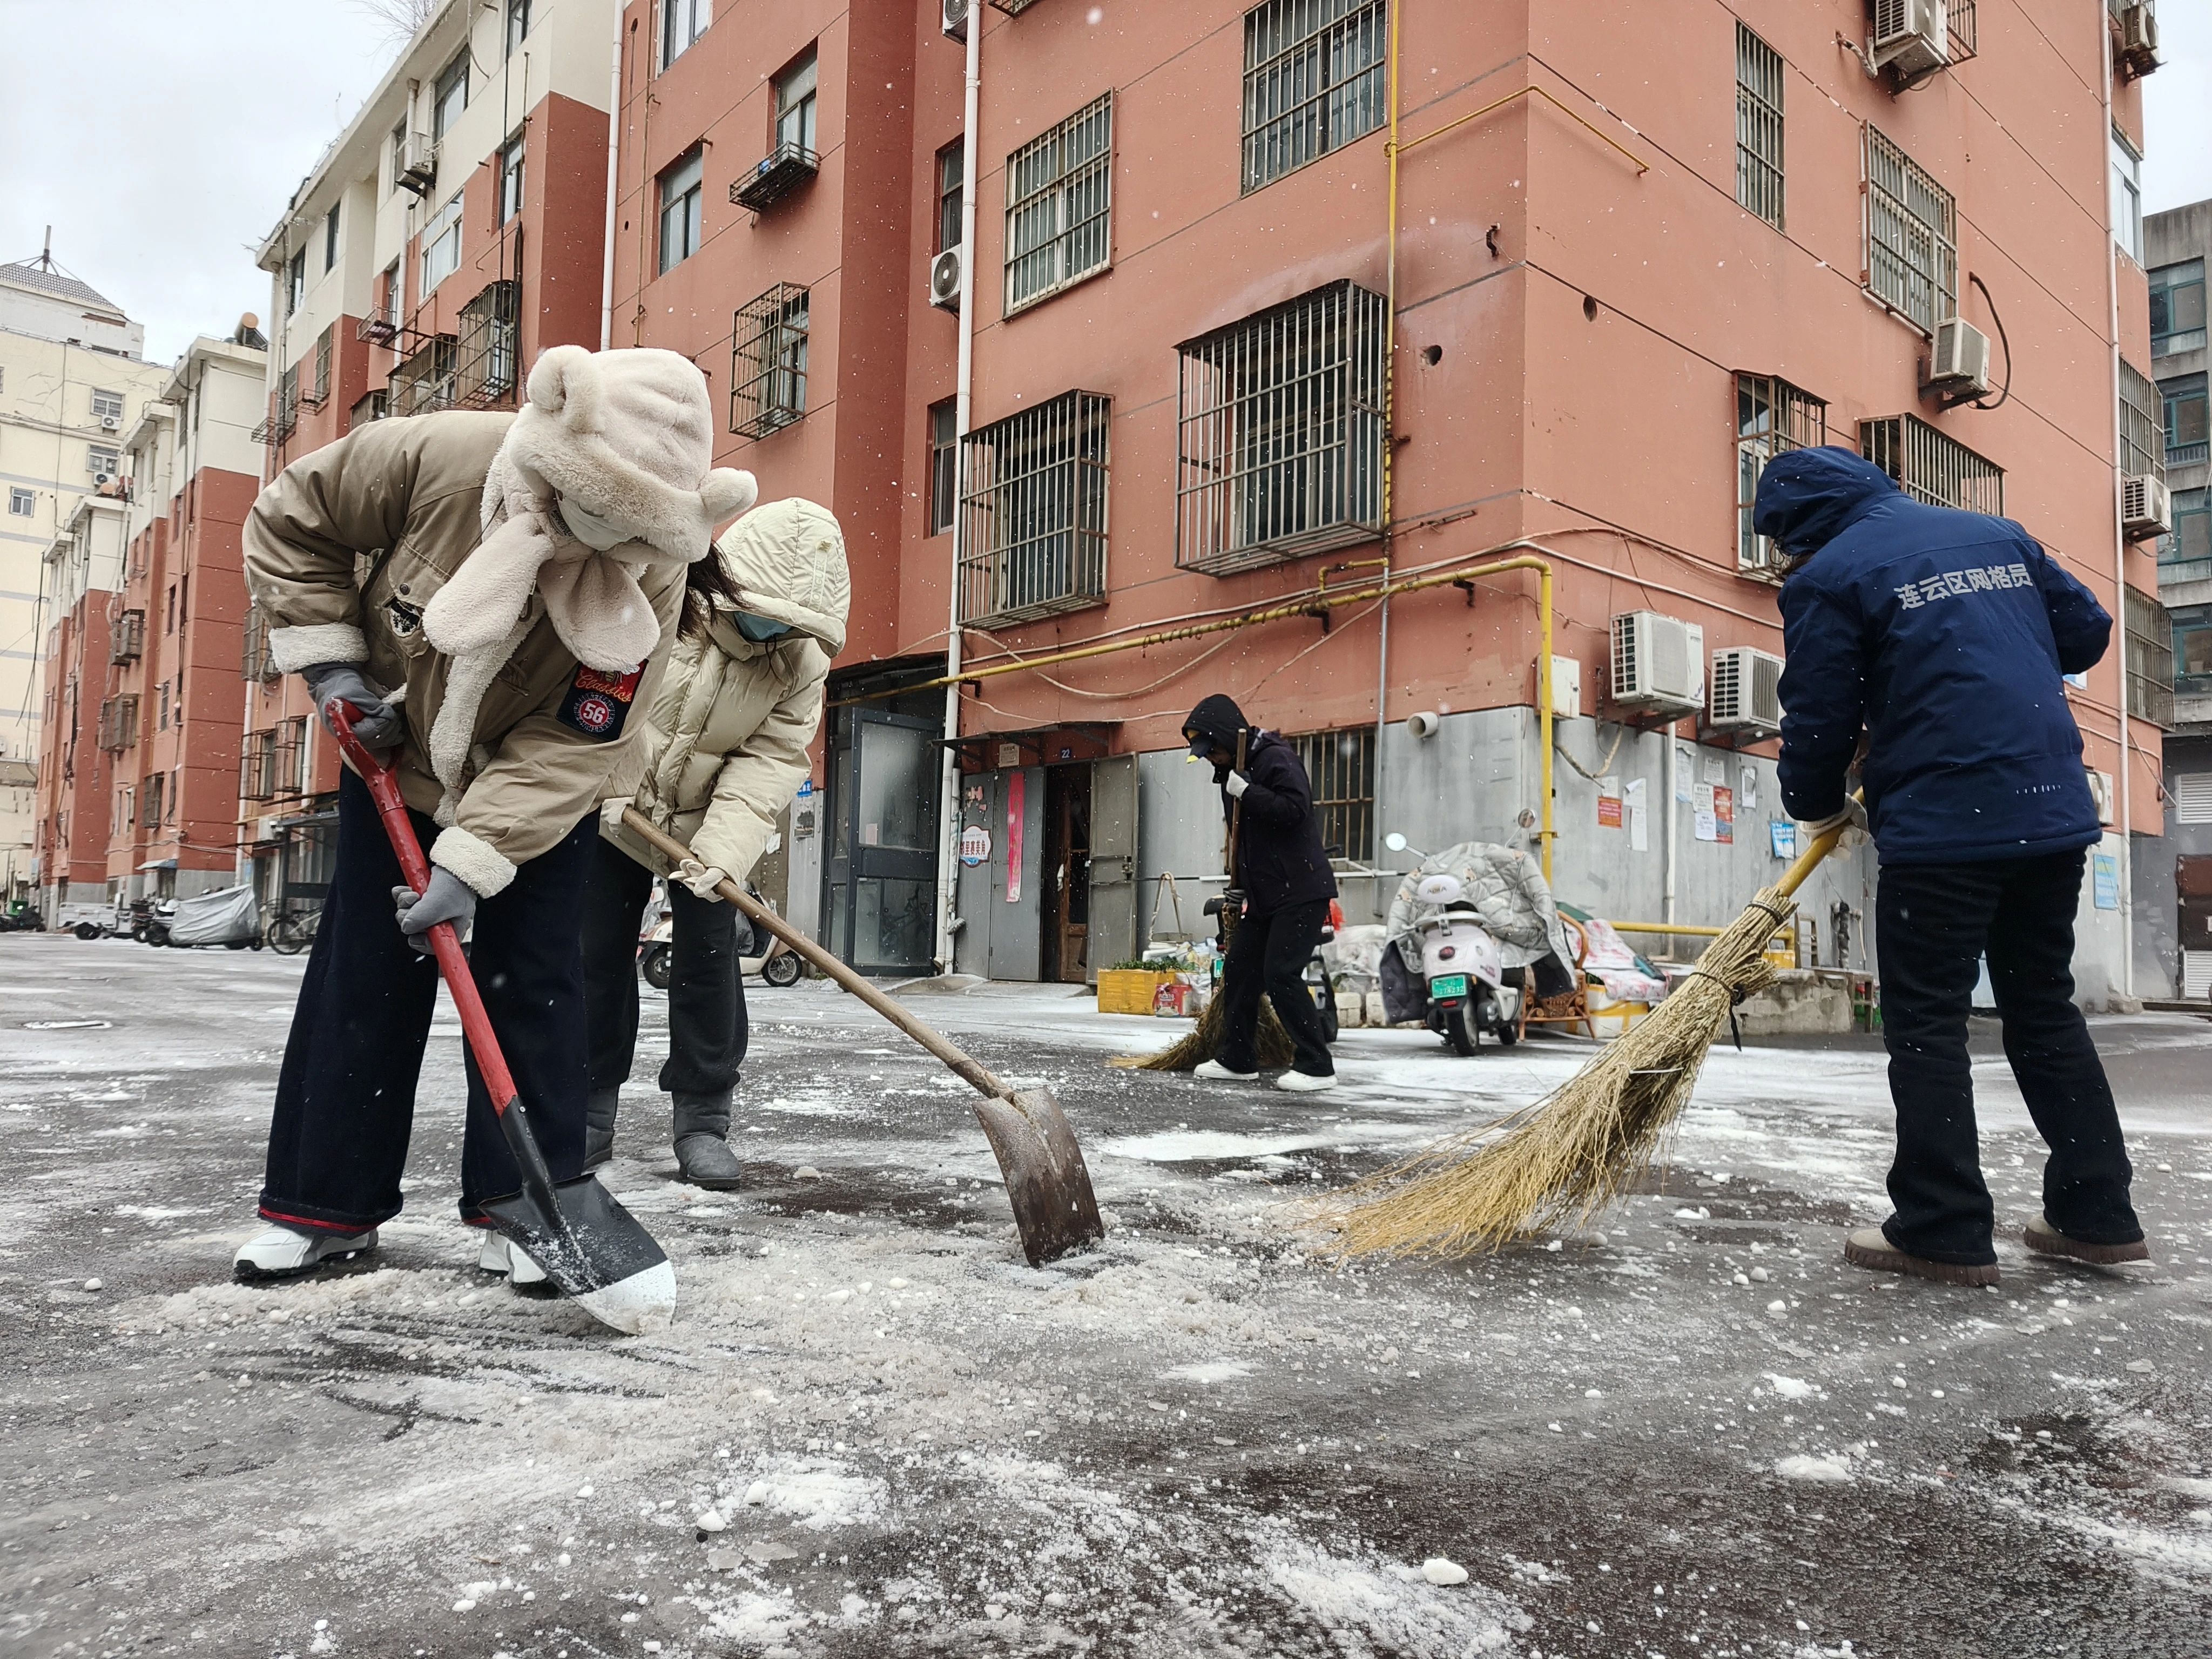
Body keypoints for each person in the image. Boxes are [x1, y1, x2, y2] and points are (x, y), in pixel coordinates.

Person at [232, 345, 756, 1284]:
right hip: (388, 747)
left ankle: (528, 1204)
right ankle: (325, 1207)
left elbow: (586, 734)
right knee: (363, 977)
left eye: (626, 539)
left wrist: (472, 862)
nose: (600, 553)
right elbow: (290, 521)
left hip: (539, 790)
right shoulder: (434, 456)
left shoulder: (656, 566)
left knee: (536, 982)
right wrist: (335, 663)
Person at [1757, 444, 2148, 1287]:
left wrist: (1815, 802)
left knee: (1928, 1023)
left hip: (1944, 829)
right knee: (2042, 1009)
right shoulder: (1994, 532)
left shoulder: (1828, 577)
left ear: (1799, 530)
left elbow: (1818, 713)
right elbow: (2084, 634)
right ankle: (2098, 1216)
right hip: (2050, 812)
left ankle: (1943, 1226)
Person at [581, 498, 849, 1188]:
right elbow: (600, 688)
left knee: (709, 962)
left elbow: (768, 765)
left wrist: (719, 857)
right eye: (765, 612)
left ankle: (703, 1120)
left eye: (792, 622)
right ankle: (584, 1112)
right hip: (610, 806)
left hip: (703, 826)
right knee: (591, 956)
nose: (775, 630)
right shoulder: (662, 601)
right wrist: (600, 777)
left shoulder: (800, 665)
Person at [1181, 694, 1339, 1091]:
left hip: (1301, 890)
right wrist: (1240, 890)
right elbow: (1247, 842)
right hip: (1267, 895)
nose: (1210, 759)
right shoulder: (1232, 773)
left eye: (1212, 750)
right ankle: (1238, 1059)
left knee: (1281, 973)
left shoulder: (1274, 759)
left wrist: (1249, 792)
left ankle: (1317, 1066)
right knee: (1239, 970)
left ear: (1225, 738)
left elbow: (1295, 811)